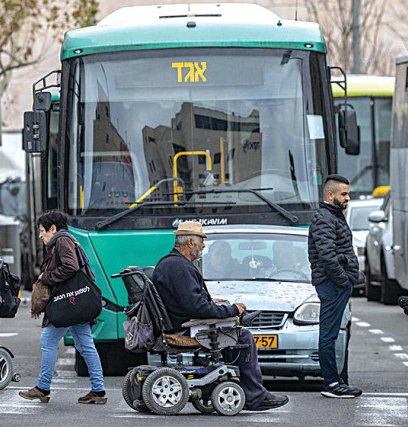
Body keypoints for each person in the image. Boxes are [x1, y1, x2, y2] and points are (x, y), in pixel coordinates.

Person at [151, 220, 289, 411]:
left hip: (180, 321)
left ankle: (246, 388)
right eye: (201, 241)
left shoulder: (170, 263)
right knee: (243, 336)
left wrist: (211, 301)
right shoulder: (181, 267)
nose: (204, 246)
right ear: (190, 243)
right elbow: (197, 308)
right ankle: (256, 396)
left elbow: (187, 299)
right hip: (186, 327)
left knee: (233, 328)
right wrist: (232, 310)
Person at [19, 210, 106, 404]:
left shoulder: (62, 241)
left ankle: (42, 387)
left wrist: (45, 277)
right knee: (85, 345)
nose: (41, 235)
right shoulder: (66, 240)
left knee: (48, 341)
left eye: (43, 231)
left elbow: (70, 267)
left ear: (53, 228)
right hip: (75, 304)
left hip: (68, 305)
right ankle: (98, 391)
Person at [308, 174, 362, 399]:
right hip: (332, 284)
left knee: (332, 334)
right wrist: (344, 280)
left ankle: (337, 380)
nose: (347, 198)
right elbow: (327, 256)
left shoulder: (333, 216)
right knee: (328, 335)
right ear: (330, 195)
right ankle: (332, 383)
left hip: (335, 284)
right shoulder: (325, 218)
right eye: (344, 194)